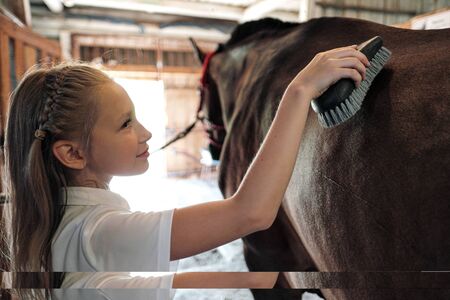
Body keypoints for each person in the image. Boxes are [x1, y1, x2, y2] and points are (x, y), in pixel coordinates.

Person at [2, 44, 369, 300]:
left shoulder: (58, 221)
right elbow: (250, 212)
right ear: (72, 153)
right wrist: (299, 90)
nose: (145, 133)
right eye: (125, 124)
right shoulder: (97, 234)